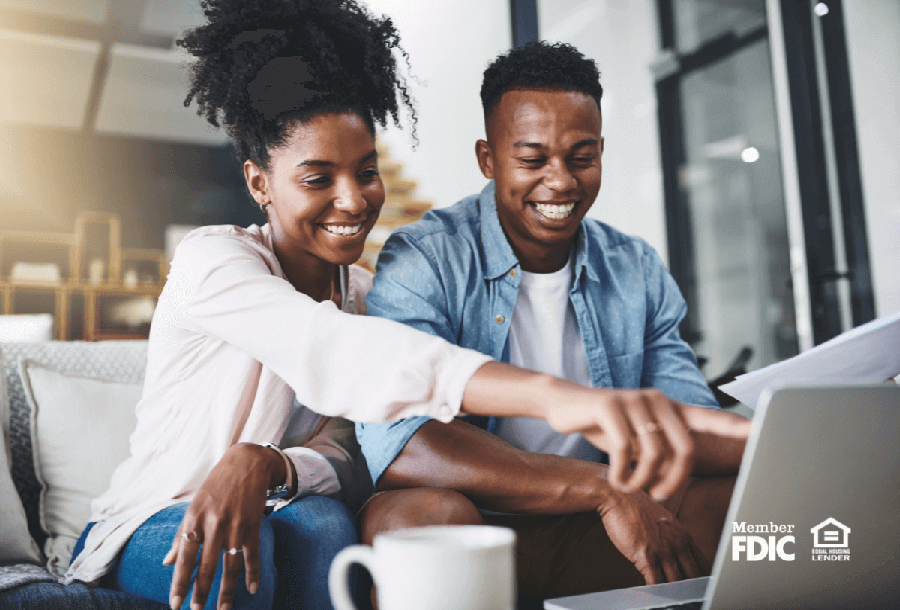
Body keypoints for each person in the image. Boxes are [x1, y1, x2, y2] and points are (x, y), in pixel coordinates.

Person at [61, 4, 735, 610]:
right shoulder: (217, 263)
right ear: (259, 182)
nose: (353, 200)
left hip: (277, 499)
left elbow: (349, 450)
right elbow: (340, 356)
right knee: (247, 553)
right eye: (318, 178)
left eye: (366, 170)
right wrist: (557, 398)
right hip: (156, 513)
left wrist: (265, 462)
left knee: (326, 527)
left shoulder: (361, 294)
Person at [355, 41, 751, 608]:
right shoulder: (424, 259)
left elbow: (684, 424)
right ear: (488, 159)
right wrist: (600, 490)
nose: (561, 181)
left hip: (592, 524)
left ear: (601, 152)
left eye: (581, 157)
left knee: (741, 505)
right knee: (425, 516)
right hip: (480, 516)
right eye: (533, 159)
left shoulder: (634, 268)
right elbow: (403, 445)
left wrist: (784, 438)